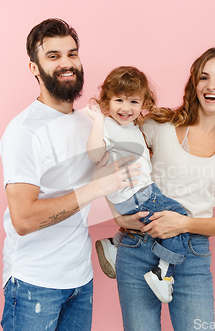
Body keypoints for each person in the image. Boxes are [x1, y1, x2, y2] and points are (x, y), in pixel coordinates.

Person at [0, 18, 141, 331]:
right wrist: (98, 187)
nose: (67, 63)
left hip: (80, 280)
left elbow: (103, 181)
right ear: (34, 68)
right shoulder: (24, 132)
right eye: (53, 56)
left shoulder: (90, 123)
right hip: (33, 282)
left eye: (72, 54)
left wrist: (123, 219)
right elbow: (24, 219)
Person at [111, 48, 215, 331]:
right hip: (139, 247)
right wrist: (118, 217)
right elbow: (114, 161)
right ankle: (113, 247)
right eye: (204, 77)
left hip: (192, 255)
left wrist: (182, 223)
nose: (211, 85)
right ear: (194, 85)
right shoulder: (160, 126)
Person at [84, 66, 191, 304]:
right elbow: (93, 155)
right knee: (179, 218)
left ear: (143, 103)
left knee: (151, 226)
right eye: (119, 100)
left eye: (133, 101)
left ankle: (116, 243)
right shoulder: (108, 125)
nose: (126, 107)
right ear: (107, 102)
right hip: (138, 195)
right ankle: (162, 273)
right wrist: (98, 121)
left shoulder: (133, 127)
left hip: (137, 195)